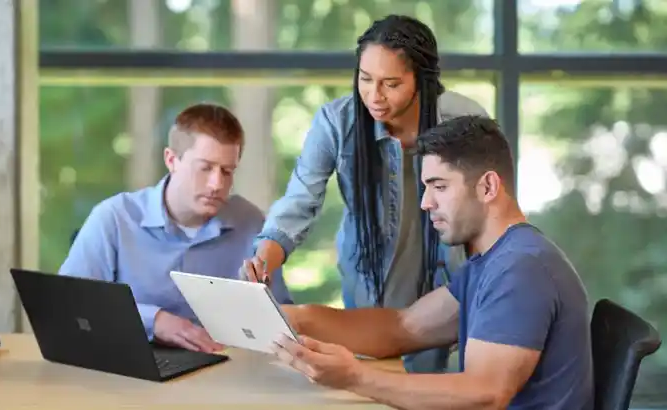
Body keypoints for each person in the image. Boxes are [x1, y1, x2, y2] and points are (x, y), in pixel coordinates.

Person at [273, 115, 594, 409]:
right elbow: (403, 328)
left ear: (487, 186)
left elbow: (484, 395)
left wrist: (353, 376)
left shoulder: (522, 268)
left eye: (439, 186)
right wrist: (298, 319)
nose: (426, 203)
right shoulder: (491, 262)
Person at [242, 14, 489, 372]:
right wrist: (263, 260)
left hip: (452, 286)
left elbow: (490, 213)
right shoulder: (336, 122)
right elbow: (299, 203)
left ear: (422, 80)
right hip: (370, 291)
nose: (374, 96)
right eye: (365, 78)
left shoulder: (465, 122)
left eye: (390, 84)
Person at [59, 103, 294, 353]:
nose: (217, 183)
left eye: (227, 171)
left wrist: (262, 307)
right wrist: (154, 321)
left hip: (225, 373)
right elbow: (69, 304)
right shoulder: (115, 218)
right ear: (172, 160)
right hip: (130, 368)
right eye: (205, 168)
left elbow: (285, 319)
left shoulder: (251, 223)